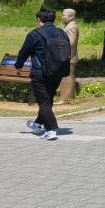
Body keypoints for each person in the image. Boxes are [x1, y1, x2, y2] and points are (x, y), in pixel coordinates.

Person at [17, 8, 70, 141]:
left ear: (39, 19)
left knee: (44, 101)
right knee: (48, 99)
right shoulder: (62, 33)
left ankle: (51, 130)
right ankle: (37, 124)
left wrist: (18, 65)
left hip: (40, 73)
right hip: (57, 72)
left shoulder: (34, 34)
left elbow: (24, 52)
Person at [58, 8, 79, 102]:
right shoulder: (69, 26)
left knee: (68, 77)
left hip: (70, 56)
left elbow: (71, 42)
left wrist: (58, 45)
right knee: (65, 76)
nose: (62, 17)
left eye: (64, 15)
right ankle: (64, 98)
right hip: (67, 56)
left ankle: (66, 99)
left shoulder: (72, 27)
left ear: (71, 17)